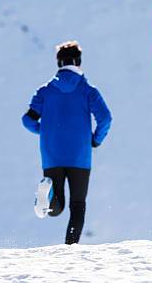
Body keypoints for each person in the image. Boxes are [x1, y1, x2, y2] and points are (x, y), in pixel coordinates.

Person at [21, 40, 112, 245]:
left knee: (55, 207)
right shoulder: (88, 90)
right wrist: (95, 140)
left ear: (59, 63)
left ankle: (48, 196)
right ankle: (70, 246)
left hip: (52, 153)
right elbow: (105, 118)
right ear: (78, 61)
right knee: (77, 205)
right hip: (80, 155)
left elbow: (27, 120)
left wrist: (45, 131)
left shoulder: (45, 91)